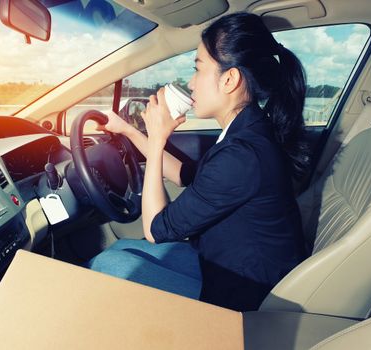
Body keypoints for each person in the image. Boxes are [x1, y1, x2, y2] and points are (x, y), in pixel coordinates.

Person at [88, 12, 308, 311]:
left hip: (243, 295)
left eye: (198, 69)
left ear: (229, 79)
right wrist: (128, 130)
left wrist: (156, 140)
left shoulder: (242, 155)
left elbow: (155, 230)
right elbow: (183, 175)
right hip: (230, 265)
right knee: (121, 248)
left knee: (105, 263)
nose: (191, 83)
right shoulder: (247, 131)